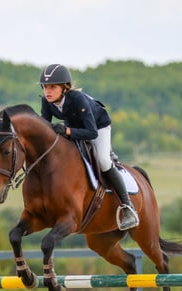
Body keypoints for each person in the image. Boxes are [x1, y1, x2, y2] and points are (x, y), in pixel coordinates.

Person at [39, 63, 139, 231]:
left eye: (53, 87)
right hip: (74, 126)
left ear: (65, 88)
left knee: (103, 161)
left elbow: (91, 133)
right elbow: (45, 128)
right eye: (45, 87)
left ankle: (128, 208)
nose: (47, 91)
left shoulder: (78, 99)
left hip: (98, 127)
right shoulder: (46, 101)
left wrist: (67, 130)